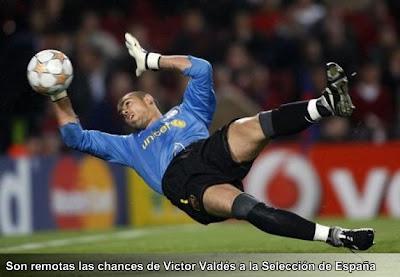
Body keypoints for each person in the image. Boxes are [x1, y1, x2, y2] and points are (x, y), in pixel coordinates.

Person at [50, 33, 374, 251]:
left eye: (128, 104)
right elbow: (75, 137)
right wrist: (58, 94)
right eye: (120, 111)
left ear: (148, 99)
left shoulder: (188, 111)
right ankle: (335, 236)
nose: (124, 112)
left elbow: (201, 69)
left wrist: (149, 60)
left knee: (250, 126)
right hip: (186, 181)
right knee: (249, 208)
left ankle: (327, 104)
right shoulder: (129, 145)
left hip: (208, 152)